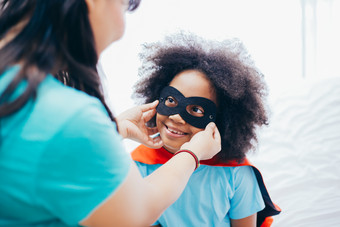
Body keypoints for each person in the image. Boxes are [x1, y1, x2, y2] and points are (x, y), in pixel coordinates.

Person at [0, 1, 221, 226]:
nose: (122, 26)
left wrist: (114, 128)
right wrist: (192, 153)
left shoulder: (14, 89)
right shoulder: (71, 119)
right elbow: (136, 213)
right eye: (125, 5)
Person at [131, 32, 281, 227]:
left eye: (196, 109)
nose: (176, 116)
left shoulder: (237, 174)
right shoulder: (141, 164)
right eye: (171, 100)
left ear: (222, 121)